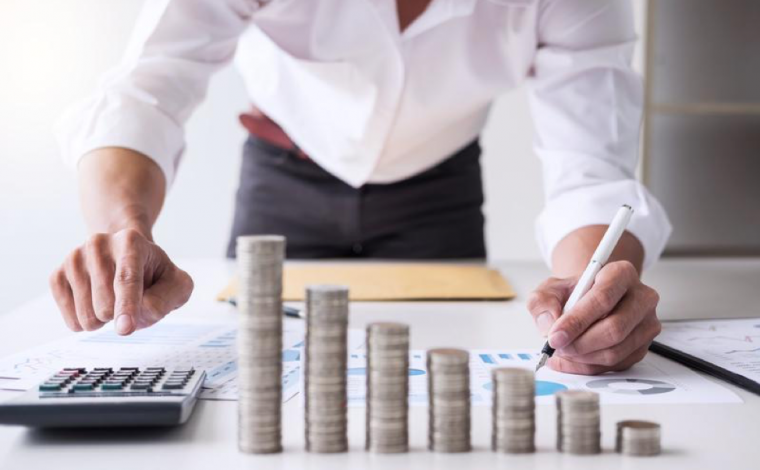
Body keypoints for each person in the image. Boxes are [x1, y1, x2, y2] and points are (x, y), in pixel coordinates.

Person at [49, 0, 671, 375]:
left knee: (439, 383)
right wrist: (122, 228)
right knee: (253, 379)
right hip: (280, 179)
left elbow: (589, 169)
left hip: (439, 193)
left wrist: (590, 291)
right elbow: (147, 88)